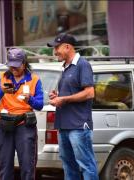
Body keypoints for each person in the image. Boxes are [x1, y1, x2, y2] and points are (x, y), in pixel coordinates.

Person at [47, 33, 99, 180]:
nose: (55, 51)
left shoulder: (83, 65)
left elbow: (89, 93)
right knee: (68, 166)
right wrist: (57, 95)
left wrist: (63, 99)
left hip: (78, 126)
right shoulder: (65, 67)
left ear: (68, 47)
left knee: (86, 165)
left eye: (57, 48)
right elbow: (72, 91)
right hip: (64, 126)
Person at [0, 48, 44, 180]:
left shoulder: (34, 79)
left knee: (27, 166)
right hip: (4, 126)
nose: (13, 68)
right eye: (11, 65)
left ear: (24, 64)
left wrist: (29, 99)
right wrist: (1, 91)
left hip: (24, 125)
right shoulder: (2, 77)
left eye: (17, 65)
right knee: (4, 166)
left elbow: (40, 105)